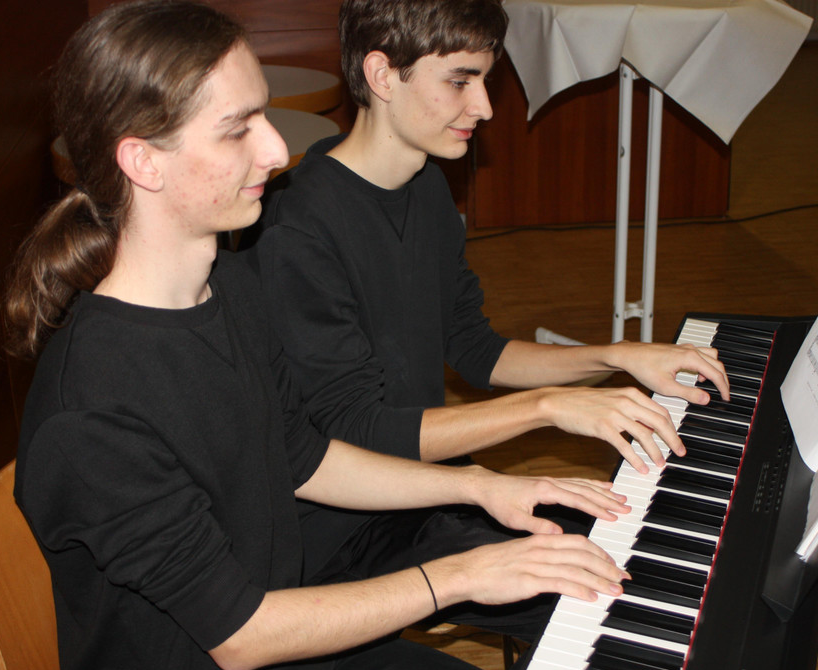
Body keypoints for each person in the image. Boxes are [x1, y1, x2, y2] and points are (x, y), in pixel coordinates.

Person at [3, 2, 633, 670]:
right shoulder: (92, 411)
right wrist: (461, 574)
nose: (277, 151)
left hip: (294, 650)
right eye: (237, 130)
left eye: (264, 117)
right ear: (143, 162)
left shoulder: (229, 287)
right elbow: (238, 634)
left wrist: (477, 486)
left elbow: (306, 459)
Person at [243, 0, 731, 637]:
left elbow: (474, 347)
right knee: (609, 598)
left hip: (430, 489)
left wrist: (615, 356)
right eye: (459, 81)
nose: (485, 107)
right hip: (344, 532)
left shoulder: (425, 185)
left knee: (650, 544)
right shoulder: (299, 230)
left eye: (485, 80)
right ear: (382, 75)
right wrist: (546, 407)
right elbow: (359, 430)